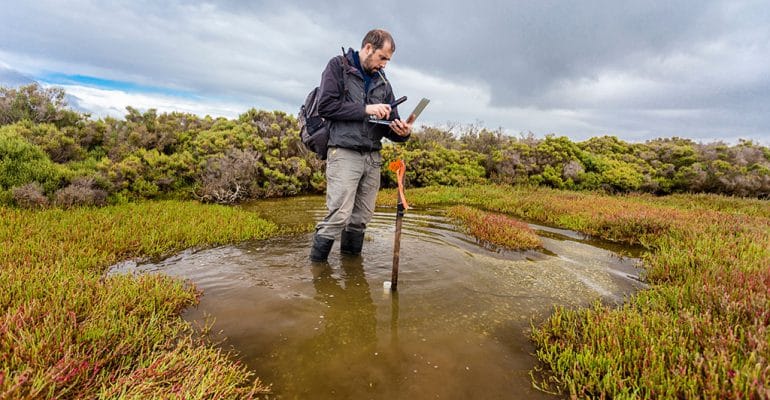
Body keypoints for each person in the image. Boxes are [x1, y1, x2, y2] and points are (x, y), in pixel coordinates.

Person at [310, 28, 412, 262]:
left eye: (388, 60)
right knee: (339, 215)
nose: (385, 64)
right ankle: (316, 272)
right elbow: (326, 106)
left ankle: (351, 271)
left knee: (361, 218)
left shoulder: (383, 83)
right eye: (382, 57)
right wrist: (365, 109)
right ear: (368, 48)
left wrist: (402, 132)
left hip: (372, 157)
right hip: (344, 152)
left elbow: (389, 125)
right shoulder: (338, 66)